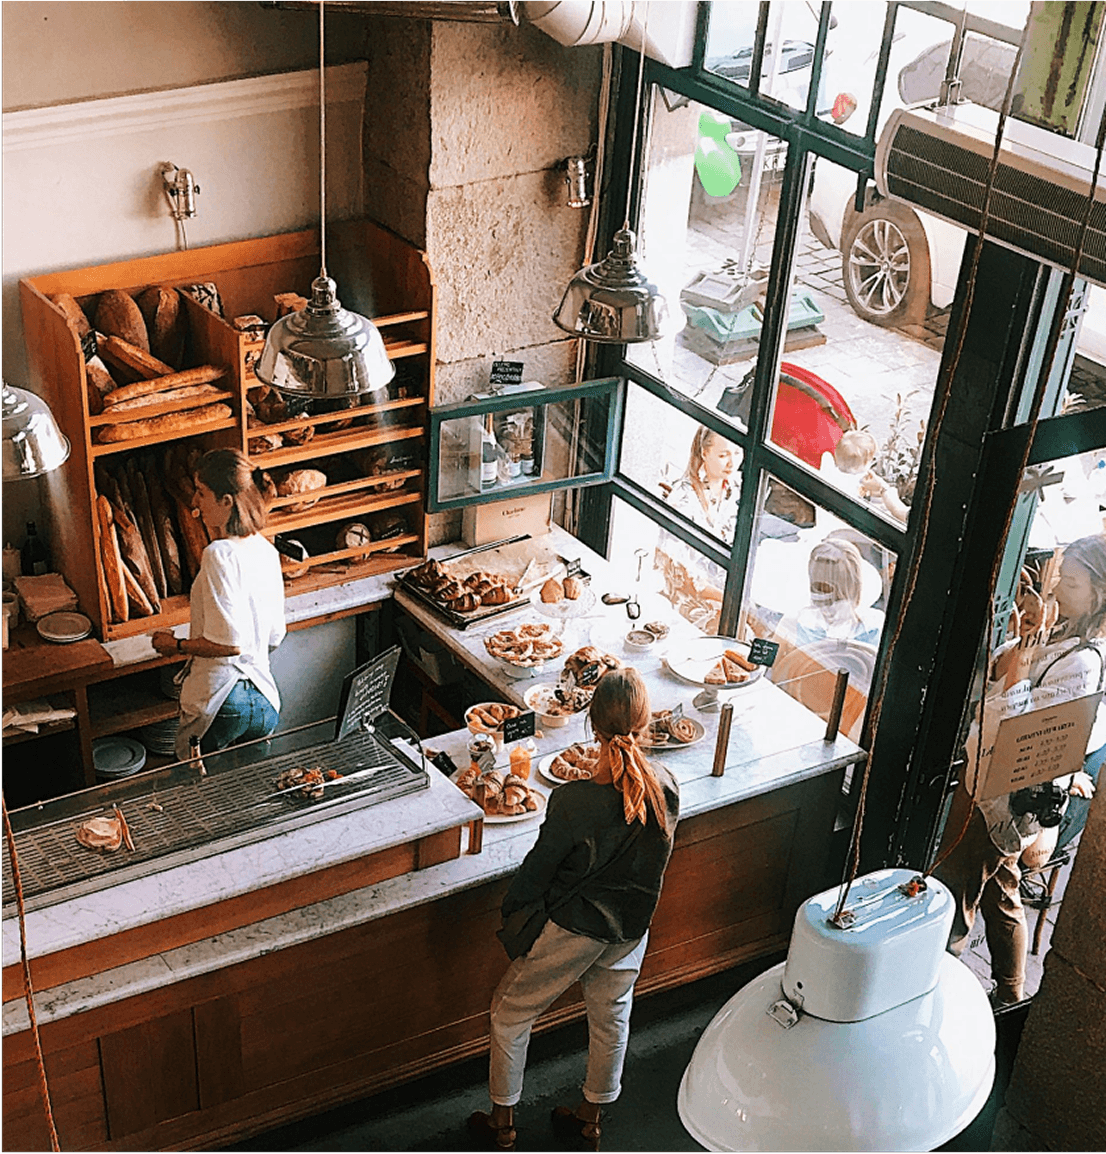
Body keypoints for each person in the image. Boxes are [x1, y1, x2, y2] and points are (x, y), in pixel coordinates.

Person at [468, 668, 679, 1153]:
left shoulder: (573, 802)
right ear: (645, 724)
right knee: (611, 1017)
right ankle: (590, 1121)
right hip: (631, 928)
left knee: (510, 1013)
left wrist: (514, 914)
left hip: (575, 929)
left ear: (592, 726)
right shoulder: (666, 786)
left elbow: (536, 874)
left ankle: (502, 1124)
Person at [933, 534, 1104, 1005]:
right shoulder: (1060, 631)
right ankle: (1010, 991)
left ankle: (935, 989)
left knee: (958, 889)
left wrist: (1018, 672)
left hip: (1005, 791)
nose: (1057, 590)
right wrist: (1016, 653)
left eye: (1070, 582)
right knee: (1000, 888)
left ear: (1100, 593)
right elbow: (1000, 679)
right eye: (1059, 577)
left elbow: (1034, 730)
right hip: (990, 777)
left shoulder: (1086, 662)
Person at [152, 448, 286, 759]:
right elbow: (275, 637)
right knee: (251, 794)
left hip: (224, 701)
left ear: (226, 501)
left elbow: (228, 645)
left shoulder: (218, 554)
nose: (195, 502)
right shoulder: (266, 550)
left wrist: (176, 645)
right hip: (265, 699)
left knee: (202, 794)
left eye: (201, 492)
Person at [655, 425, 738, 632]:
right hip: (689, 596)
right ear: (704, 453)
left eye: (737, 453)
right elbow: (682, 576)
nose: (733, 463)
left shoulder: (734, 488)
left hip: (725, 586)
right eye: (723, 455)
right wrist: (732, 600)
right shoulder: (683, 500)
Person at [793, 538, 884, 647]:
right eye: (820, 587)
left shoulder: (799, 623)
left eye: (826, 588)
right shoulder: (874, 628)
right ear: (856, 584)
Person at [819, 429, 877, 500]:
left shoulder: (827, 465)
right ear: (855, 469)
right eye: (870, 461)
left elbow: (827, 455)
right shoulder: (858, 482)